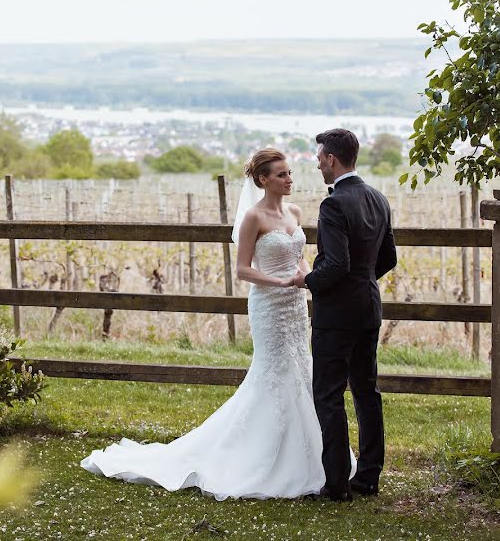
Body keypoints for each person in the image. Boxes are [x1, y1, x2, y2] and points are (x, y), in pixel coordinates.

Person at [80, 147, 355, 500]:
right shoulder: (253, 218)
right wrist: (281, 282)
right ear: (263, 180)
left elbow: (298, 258)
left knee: (303, 372)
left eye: (289, 173)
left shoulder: (295, 212)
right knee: (274, 373)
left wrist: (309, 279)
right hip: (270, 305)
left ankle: (317, 461)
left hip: (296, 306)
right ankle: (262, 458)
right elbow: (243, 269)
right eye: (282, 174)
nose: (290, 180)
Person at [292, 128, 397, 502]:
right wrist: (360, 282)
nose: (318, 163)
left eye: (320, 158)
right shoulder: (377, 197)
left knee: (329, 395)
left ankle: (336, 484)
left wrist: (309, 281)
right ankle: (368, 478)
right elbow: (388, 259)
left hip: (336, 315)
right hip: (368, 307)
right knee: (367, 393)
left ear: (332, 159)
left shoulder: (333, 204)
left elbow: (335, 264)